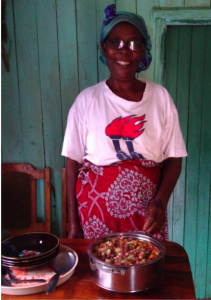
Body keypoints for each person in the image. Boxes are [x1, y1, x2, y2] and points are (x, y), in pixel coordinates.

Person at [61, 4, 187, 240]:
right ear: (104, 48)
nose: (124, 51)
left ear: (143, 50)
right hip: (95, 215)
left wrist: (160, 201)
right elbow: (72, 162)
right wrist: (73, 223)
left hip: (147, 216)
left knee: (144, 272)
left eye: (134, 44)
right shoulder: (86, 100)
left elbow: (175, 157)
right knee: (100, 274)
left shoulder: (160, 98)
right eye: (115, 42)